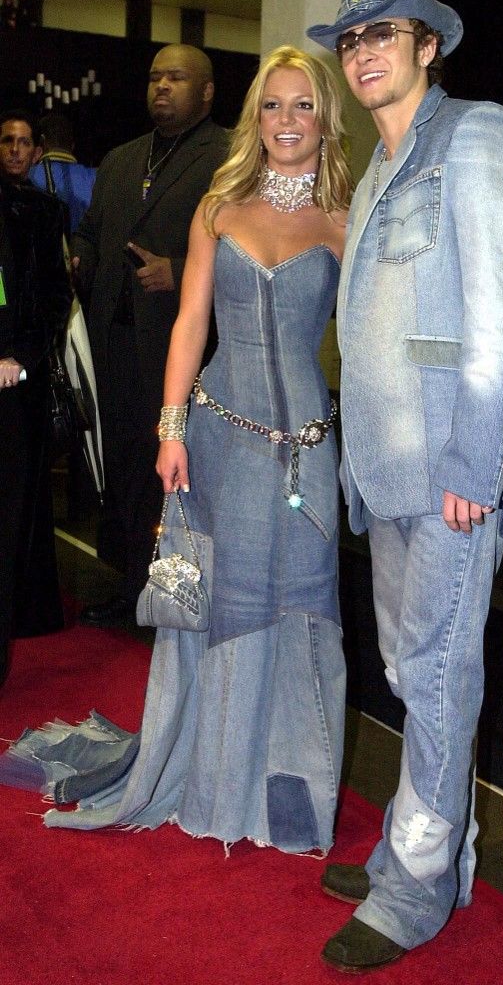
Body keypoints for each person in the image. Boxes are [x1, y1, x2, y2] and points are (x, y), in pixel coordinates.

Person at [1, 46, 352, 855]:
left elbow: (367, 339)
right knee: (214, 602)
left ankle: (288, 786)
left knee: (298, 606)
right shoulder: (219, 205)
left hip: (303, 446)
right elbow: (191, 323)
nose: (288, 121)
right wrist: (169, 429)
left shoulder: (345, 216)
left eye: (303, 106)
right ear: (253, 116)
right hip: (218, 432)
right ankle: (211, 770)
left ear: (325, 118)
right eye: (273, 105)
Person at [306, 0, 503, 972]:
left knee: (441, 675)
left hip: (457, 469)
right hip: (388, 472)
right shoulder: (376, 168)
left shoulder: (480, 137)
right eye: (352, 38)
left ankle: (411, 893)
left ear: (428, 45)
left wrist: (475, 457)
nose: (365, 49)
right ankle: (427, 856)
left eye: (387, 32)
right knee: (417, 671)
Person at [74, 44, 228, 626]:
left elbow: (249, 246)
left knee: (163, 473)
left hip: (177, 344)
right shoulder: (121, 158)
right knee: (120, 465)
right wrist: (76, 256)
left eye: (176, 77)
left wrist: (183, 266)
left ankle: (164, 594)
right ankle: (128, 584)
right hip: (110, 338)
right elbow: (92, 232)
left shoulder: (229, 156)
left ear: (207, 91)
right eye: (155, 76)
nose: (161, 85)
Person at [0, 110, 72, 685]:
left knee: (19, 504)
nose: (17, 150)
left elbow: (56, 294)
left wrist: (23, 357)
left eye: (26, 143)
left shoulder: (49, 213)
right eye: (7, 140)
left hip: (22, 383)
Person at [29, 114, 97, 235]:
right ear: (72, 145)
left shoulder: (25, 176)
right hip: (84, 252)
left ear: (41, 144)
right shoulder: (98, 177)